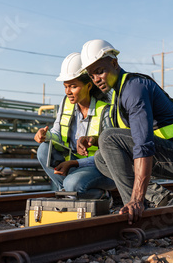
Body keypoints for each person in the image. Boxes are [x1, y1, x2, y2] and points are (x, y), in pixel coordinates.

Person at [77, 39, 173, 224]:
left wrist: (136, 198)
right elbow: (127, 138)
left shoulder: (134, 89)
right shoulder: (118, 94)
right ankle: (162, 199)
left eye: (99, 71)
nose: (96, 79)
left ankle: (134, 207)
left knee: (108, 138)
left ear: (114, 63)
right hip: (168, 155)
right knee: (101, 158)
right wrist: (94, 141)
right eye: (91, 75)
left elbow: (143, 145)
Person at [34, 52, 116, 199]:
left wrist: (74, 163)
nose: (68, 92)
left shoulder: (105, 110)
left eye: (73, 86)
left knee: (72, 183)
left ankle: (101, 196)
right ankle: (68, 192)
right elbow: (58, 135)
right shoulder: (66, 104)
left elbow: (109, 155)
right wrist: (47, 136)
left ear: (89, 85)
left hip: (102, 168)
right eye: (65, 86)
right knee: (43, 150)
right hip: (74, 165)